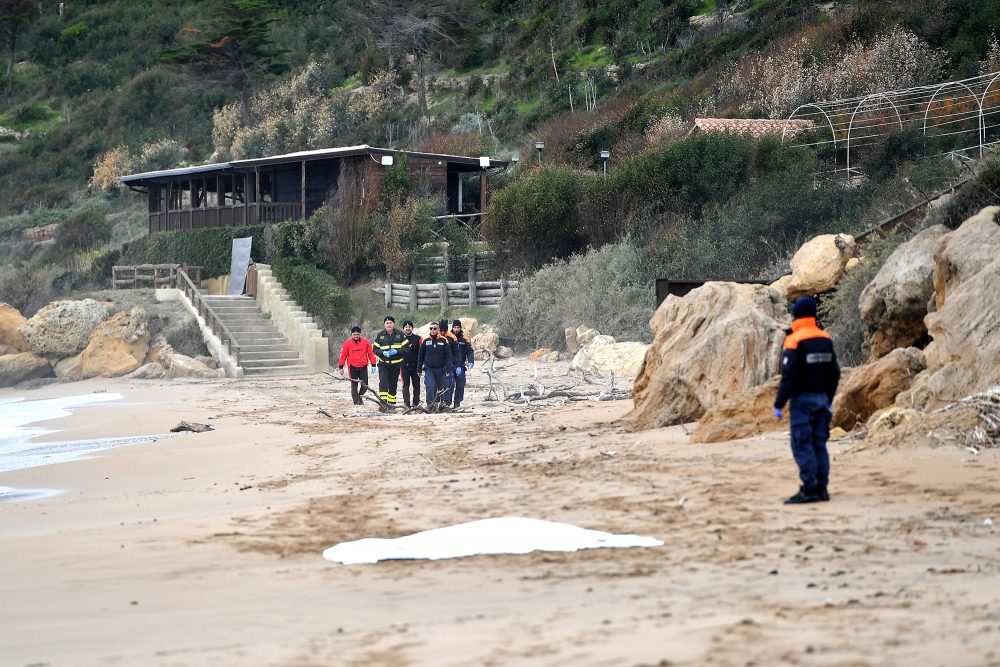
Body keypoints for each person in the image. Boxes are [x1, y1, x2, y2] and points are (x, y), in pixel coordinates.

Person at [774, 296, 841, 505]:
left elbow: (790, 375)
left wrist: (779, 403)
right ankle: (822, 488)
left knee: (802, 443)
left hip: (802, 401)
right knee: (819, 443)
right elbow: (835, 373)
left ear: (795, 314)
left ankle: (809, 487)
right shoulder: (825, 338)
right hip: (821, 399)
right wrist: (829, 398)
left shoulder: (794, 340)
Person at [372, 316, 410, 409]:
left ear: (394, 324)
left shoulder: (401, 335)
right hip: (383, 364)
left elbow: (406, 349)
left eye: (390, 323)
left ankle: (392, 404)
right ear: (384, 325)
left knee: (393, 385)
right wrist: (382, 353)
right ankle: (383, 404)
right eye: (387, 323)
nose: (389, 324)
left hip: (396, 365)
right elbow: (375, 349)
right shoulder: (380, 335)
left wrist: (397, 351)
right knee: (383, 382)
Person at [337, 325, 376, 405]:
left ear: (360, 334)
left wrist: (373, 364)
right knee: (354, 385)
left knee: (365, 385)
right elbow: (343, 356)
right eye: (354, 334)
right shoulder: (347, 344)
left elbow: (371, 354)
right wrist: (341, 367)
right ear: (351, 335)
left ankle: (360, 397)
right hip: (352, 367)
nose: (356, 336)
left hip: (363, 367)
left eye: (357, 334)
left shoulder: (366, 342)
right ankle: (356, 401)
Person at [417, 321, 454, 405]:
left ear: (438, 330)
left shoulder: (444, 340)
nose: (432, 330)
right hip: (429, 369)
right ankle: (430, 405)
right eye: (431, 328)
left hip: (442, 368)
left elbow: (448, 356)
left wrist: (448, 369)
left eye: (434, 328)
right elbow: (420, 356)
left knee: (444, 387)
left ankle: (444, 404)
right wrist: (419, 369)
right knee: (430, 386)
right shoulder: (425, 340)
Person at [450, 319, 475, 409]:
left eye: (458, 327)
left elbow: (470, 351)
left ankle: (457, 403)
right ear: (452, 328)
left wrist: (471, 361)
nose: (456, 329)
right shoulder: (448, 337)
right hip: (450, 366)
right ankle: (447, 403)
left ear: (460, 328)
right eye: (455, 327)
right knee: (450, 385)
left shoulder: (465, 338)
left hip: (460, 366)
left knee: (460, 385)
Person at [400, 320, 422, 409]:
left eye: (409, 327)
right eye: (406, 327)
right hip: (404, 366)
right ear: (403, 328)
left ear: (412, 328)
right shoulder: (399, 338)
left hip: (416, 366)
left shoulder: (418, 338)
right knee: (405, 385)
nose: (407, 328)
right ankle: (407, 404)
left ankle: (415, 404)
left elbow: (423, 351)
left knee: (416, 385)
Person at [437, 318, 458, 405]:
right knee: (437, 385)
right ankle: (436, 403)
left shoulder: (452, 337)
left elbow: (457, 352)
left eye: (444, 330)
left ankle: (447, 403)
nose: (442, 332)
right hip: (437, 365)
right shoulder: (435, 336)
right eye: (441, 330)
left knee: (449, 385)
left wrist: (458, 364)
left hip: (449, 364)